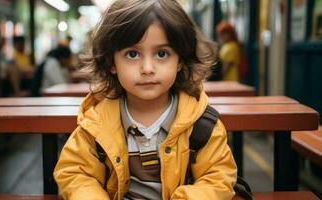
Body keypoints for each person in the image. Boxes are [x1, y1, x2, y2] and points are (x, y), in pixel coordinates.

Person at [54, 0, 237, 199]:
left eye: (162, 53)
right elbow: (75, 173)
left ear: (180, 61)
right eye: (132, 54)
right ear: (111, 62)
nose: (147, 68)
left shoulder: (202, 124)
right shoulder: (96, 123)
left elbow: (218, 178)